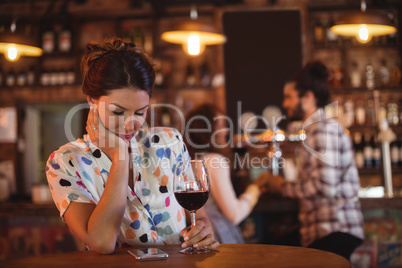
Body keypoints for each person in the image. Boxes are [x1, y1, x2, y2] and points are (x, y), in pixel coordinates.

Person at [45, 38, 219, 254]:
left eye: (140, 112)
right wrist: (119, 157)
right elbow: (101, 242)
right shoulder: (65, 162)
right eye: (118, 112)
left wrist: (204, 230)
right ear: (91, 99)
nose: (130, 124)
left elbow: (199, 216)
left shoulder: (169, 142)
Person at [264, 60, 364, 260]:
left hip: (335, 230)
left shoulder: (322, 129)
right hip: (323, 231)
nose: (284, 104)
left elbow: (324, 187)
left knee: (272, 255)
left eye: (289, 97)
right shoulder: (313, 130)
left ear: (308, 97)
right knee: (272, 253)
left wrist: (282, 187)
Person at [184, 104, 268, 243]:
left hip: (201, 233)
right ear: (207, 130)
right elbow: (234, 214)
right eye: (221, 125)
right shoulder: (214, 161)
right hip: (218, 233)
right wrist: (256, 187)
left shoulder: (193, 160)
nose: (226, 131)